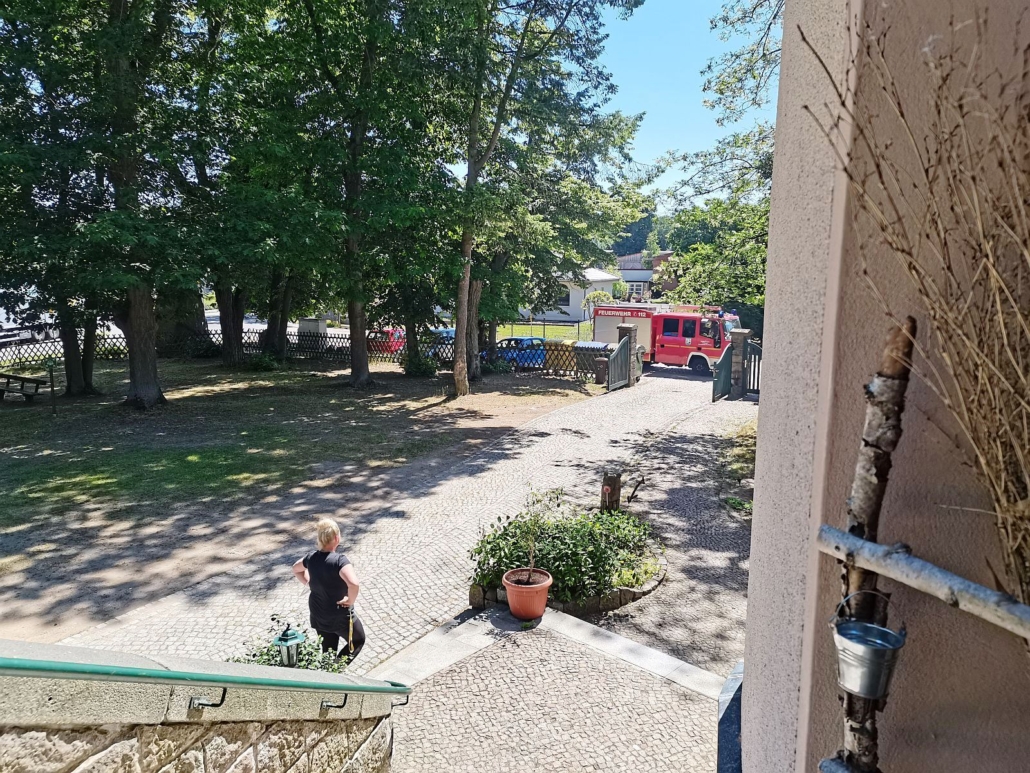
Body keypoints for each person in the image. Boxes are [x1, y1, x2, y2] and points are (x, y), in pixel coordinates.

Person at [292, 518, 366, 664]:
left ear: (320, 539)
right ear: (337, 538)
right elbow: (353, 584)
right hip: (339, 615)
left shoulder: (311, 557)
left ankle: (328, 670)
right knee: (357, 640)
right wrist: (350, 600)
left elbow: (296, 569)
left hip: (318, 613)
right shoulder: (339, 561)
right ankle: (336, 669)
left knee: (328, 651)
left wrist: (310, 584)